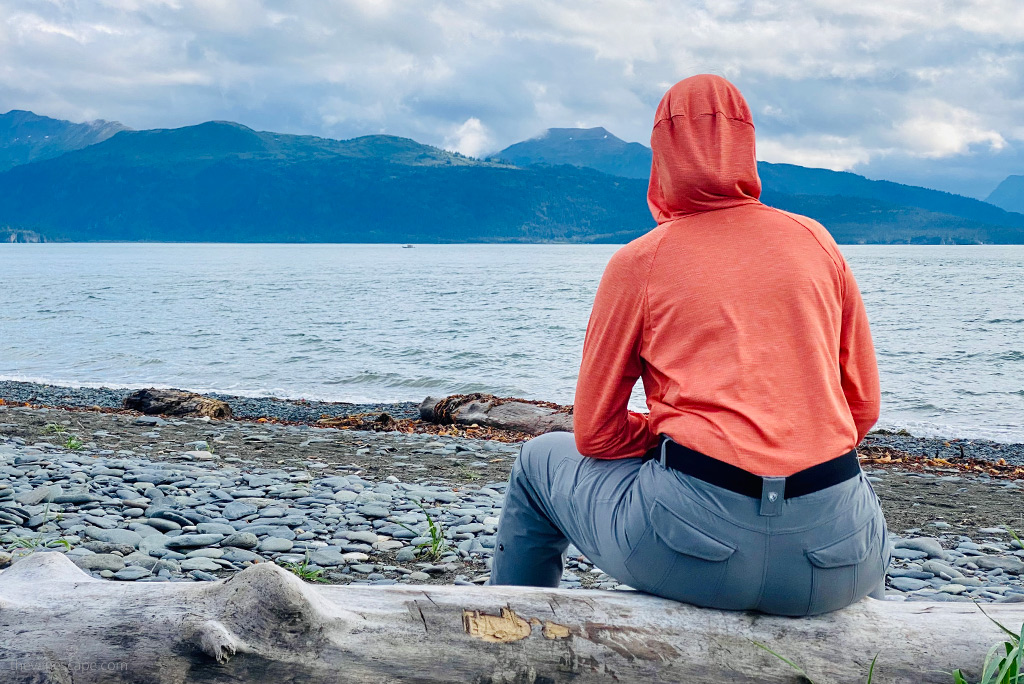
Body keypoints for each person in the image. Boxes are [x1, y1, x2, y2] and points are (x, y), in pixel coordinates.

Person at [489, 74, 890, 616]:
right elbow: (860, 409)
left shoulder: (639, 262)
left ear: (663, 154)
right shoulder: (817, 242)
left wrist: (679, 435)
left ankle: (514, 638)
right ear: (746, 145)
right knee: (847, 503)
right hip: (839, 560)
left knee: (538, 461)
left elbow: (595, 432)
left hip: (694, 554)